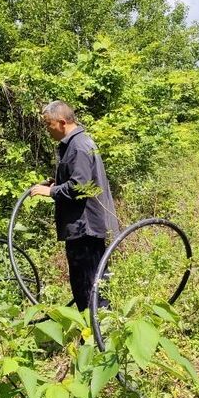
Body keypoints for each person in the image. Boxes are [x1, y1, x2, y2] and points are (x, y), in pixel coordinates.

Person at [30, 101, 119, 311]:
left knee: (90, 287)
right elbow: (78, 178)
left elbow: (79, 187)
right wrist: (56, 183)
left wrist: (50, 192)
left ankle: (99, 337)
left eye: (48, 124)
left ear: (62, 122)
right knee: (87, 285)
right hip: (82, 228)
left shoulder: (79, 146)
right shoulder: (74, 144)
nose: (47, 129)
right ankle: (95, 334)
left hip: (85, 229)